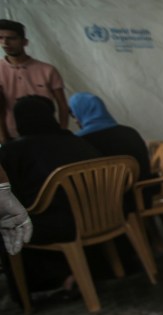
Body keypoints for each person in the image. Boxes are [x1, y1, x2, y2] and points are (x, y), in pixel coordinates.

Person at [0, 95, 100, 301]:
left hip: (59, 227)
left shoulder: (14, 151)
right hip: (100, 216)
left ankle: (46, 285)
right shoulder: (76, 141)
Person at [69, 91, 158, 210]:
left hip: (113, 206)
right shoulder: (129, 131)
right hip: (146, 194)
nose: (75, 120)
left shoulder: (81, 141)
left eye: (73, 114)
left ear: (80, 113)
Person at [0, 19, 71, 142]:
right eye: (1, 38)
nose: (5, 43)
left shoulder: (47, 70)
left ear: (24, 42)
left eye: (11, 38)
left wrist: (62, 131)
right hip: (13, 136)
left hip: (49, 135)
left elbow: (62, 105)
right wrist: (3, 140)